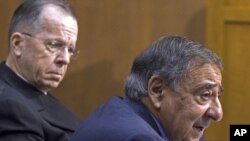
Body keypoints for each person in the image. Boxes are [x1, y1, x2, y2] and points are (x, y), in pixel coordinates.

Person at [70, 35, 224, 141]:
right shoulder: (138, 137)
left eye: (217, 96)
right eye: (205, 95)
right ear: (157, 91)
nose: (218, 113)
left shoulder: (124, 112)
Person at [0, 0, 81, 141]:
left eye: (70, 50)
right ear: (18, 44)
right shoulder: (10, 106)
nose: (65, 59)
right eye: (54, 45)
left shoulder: (34, 92)